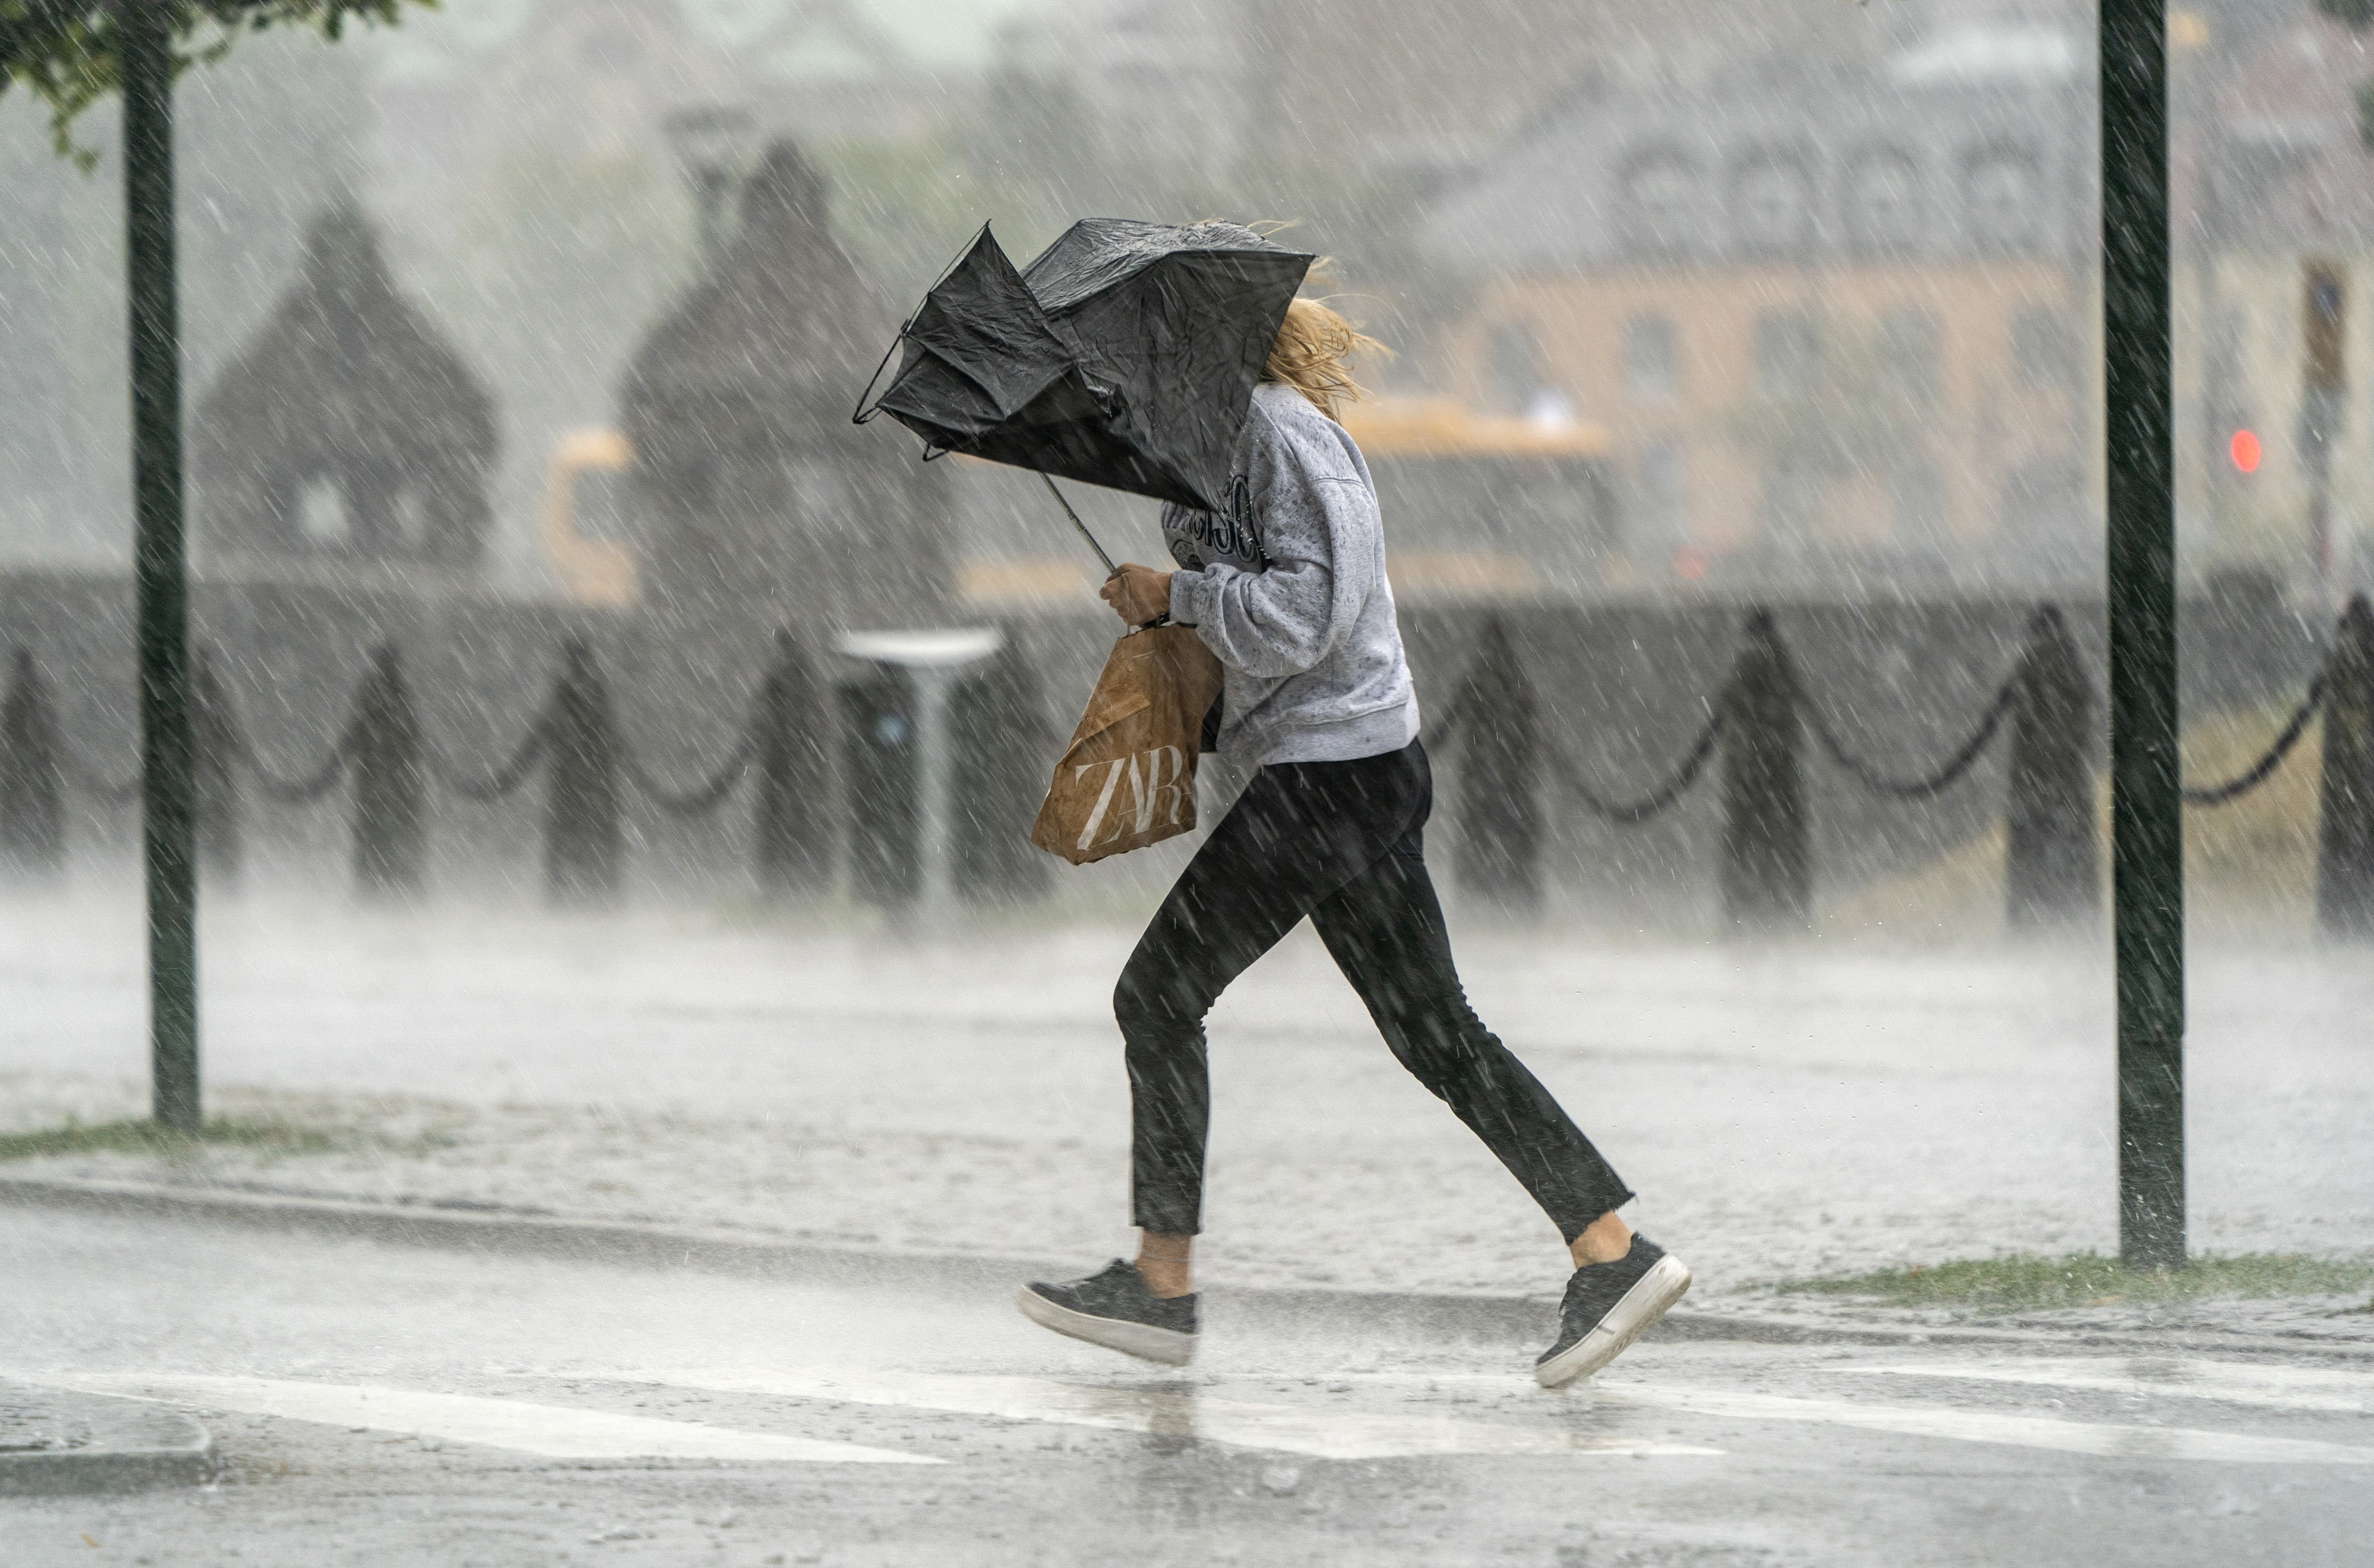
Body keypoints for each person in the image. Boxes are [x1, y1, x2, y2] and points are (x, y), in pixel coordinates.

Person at [1014, 292, 1689, 1389]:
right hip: (1335, 768)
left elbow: (1304, 618)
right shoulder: (1210, 450)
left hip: (1338, 771)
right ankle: (1610, 1252)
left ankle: (1161, 1281)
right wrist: (1168, 613)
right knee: (1435, 1033)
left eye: (1132, 357)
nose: (1118, 380)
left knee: (1157, 993)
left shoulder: (1277, 434)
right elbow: (1260, 627)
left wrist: (1176, 592)